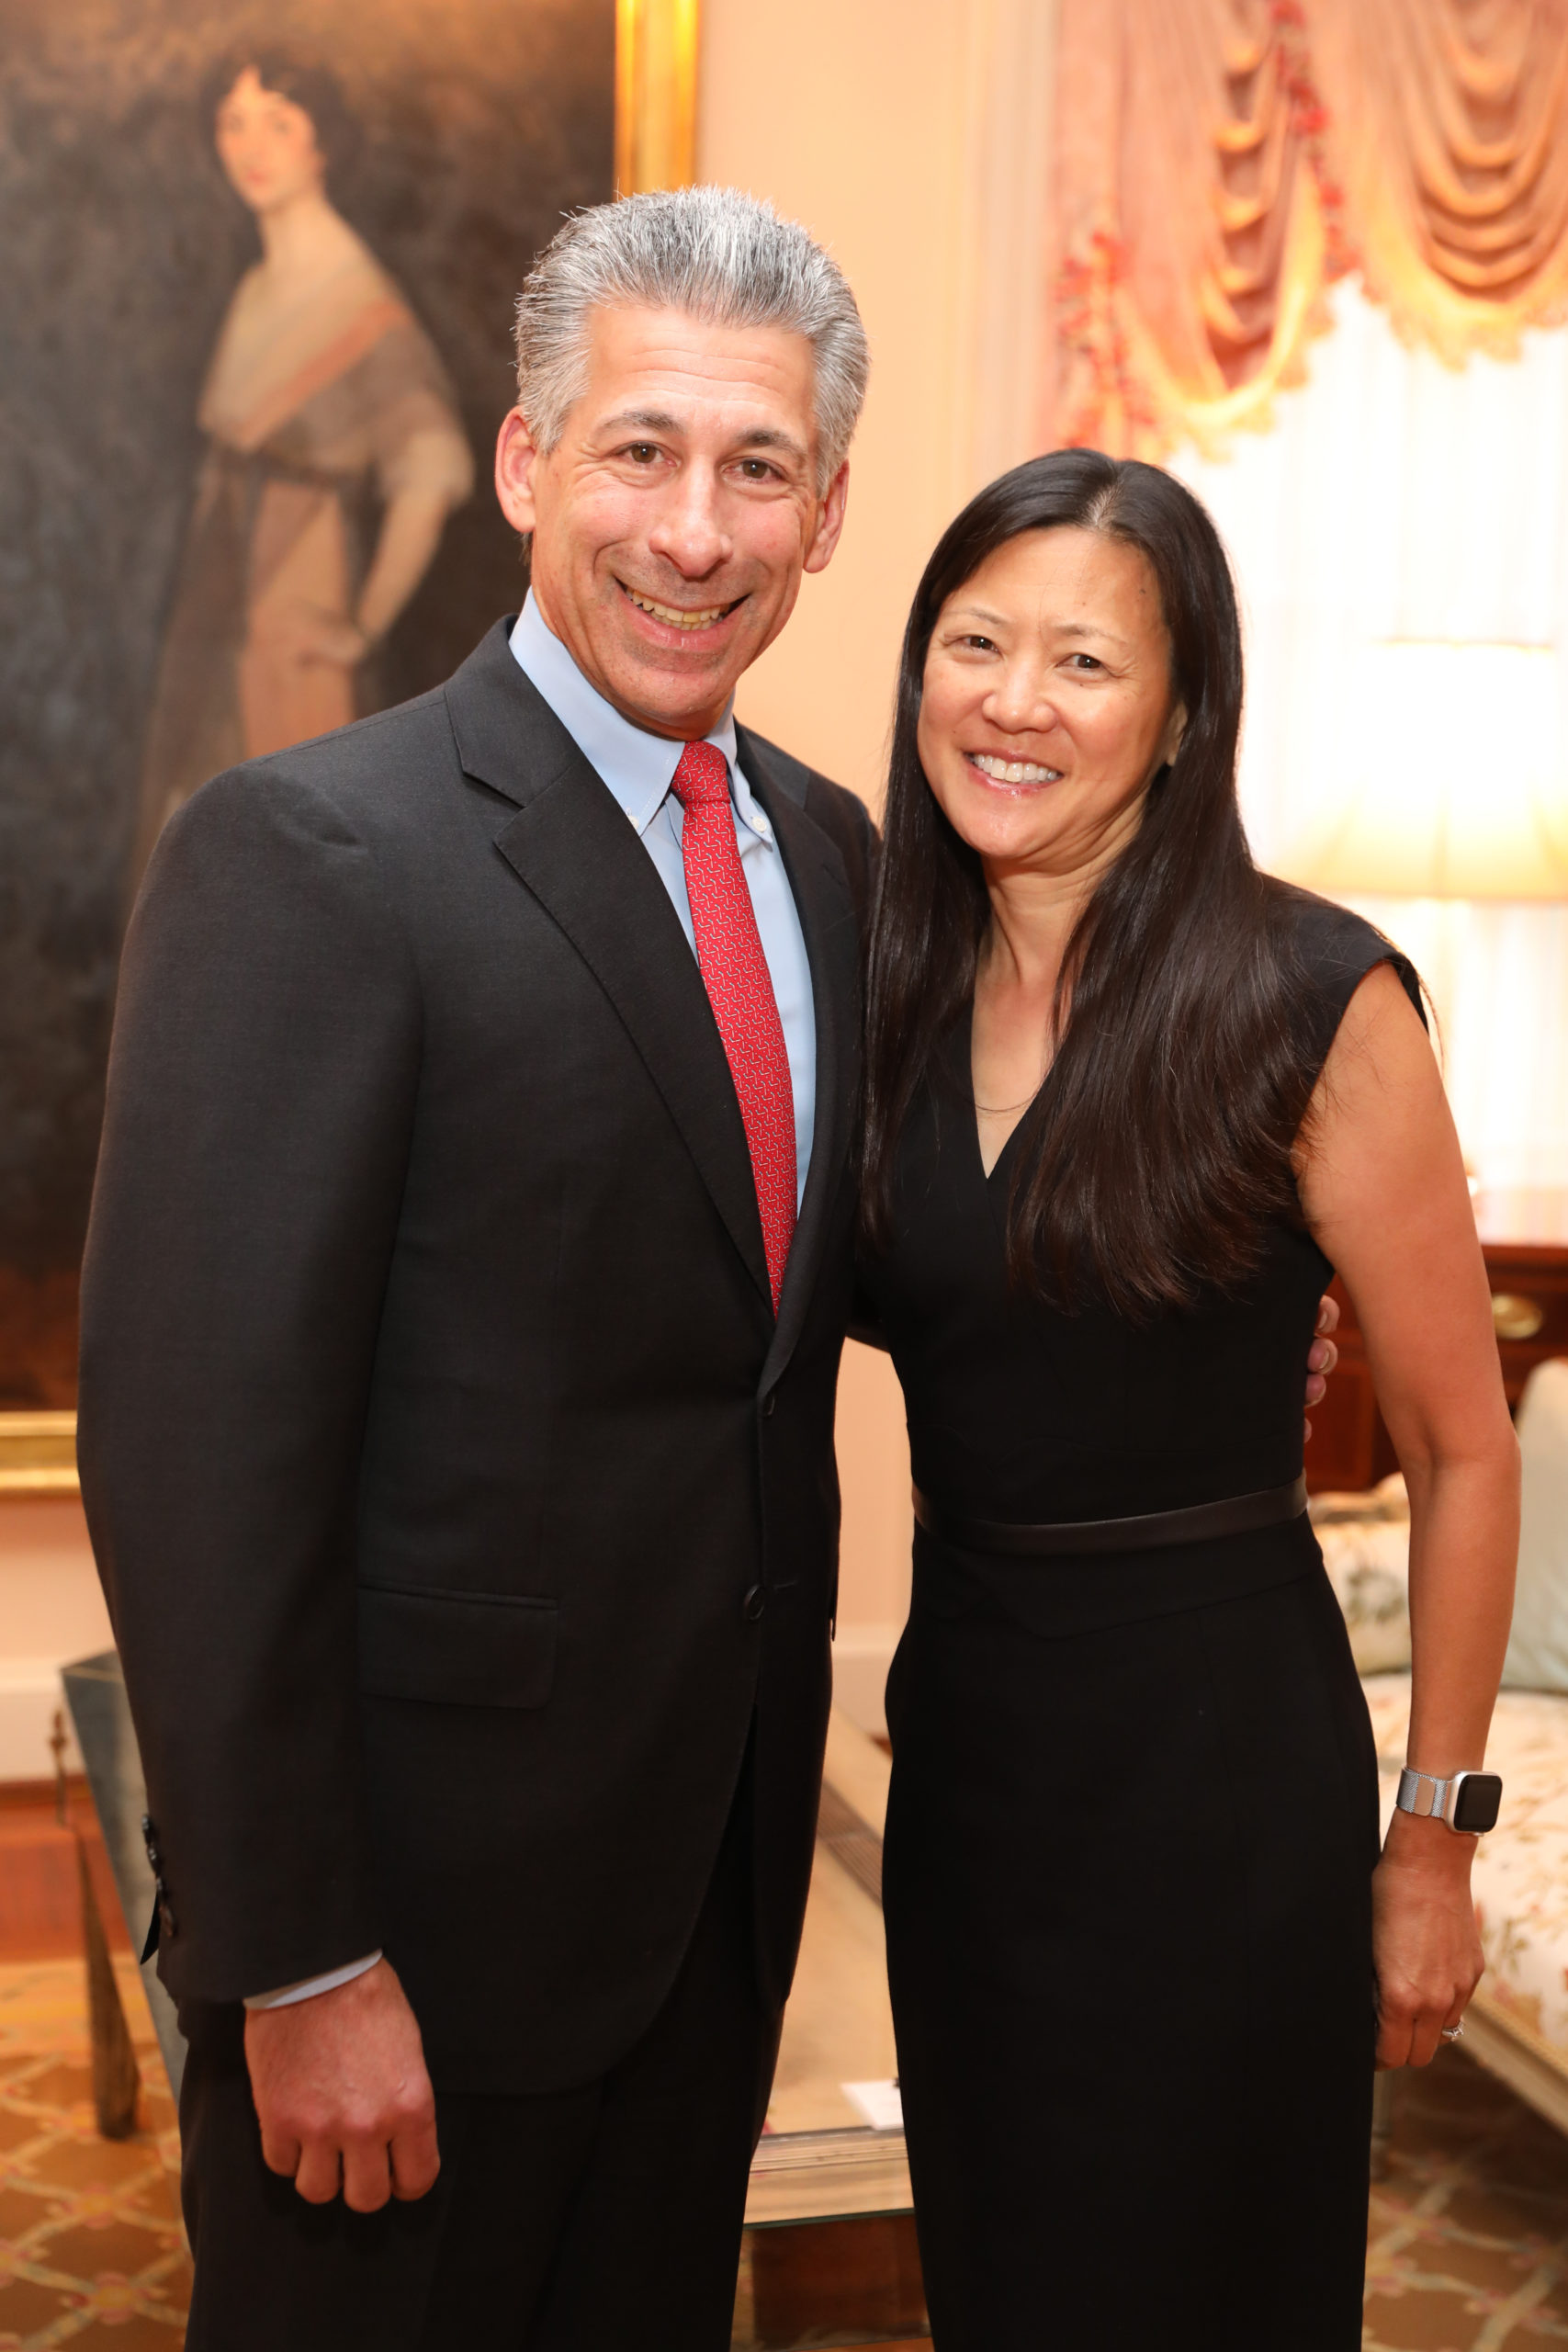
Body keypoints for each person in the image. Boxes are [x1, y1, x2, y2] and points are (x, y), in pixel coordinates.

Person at [79, 197, 1337, 2347]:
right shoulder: (311, 851)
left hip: (717, 1903)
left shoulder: (840, 851)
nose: (694, 525)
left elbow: (891, 1259)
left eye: (755, 466)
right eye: (638, 450)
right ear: (519, 467)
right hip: (417, 1944)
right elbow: (197, 1454)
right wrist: (287, 1955)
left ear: (828, 508)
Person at [857, 451, 1519, 2348]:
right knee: (1004, 2278)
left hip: (1216, 1779)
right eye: (972, 641)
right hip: (973, 1768)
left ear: (1177, 712)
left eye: (1081, 659)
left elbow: (1467, 1454)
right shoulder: (885, 976)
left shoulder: (1309, 997)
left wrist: (1428, 1845)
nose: (1012, 698)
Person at [129, 50, 473, 895]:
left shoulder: (362, 305)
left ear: (323, 145)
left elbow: (434, 471)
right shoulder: (254, 288)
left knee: (288, 858)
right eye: (233, 123)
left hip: (294, 601)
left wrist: (360, 627)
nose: (252, 146)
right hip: (218, 601)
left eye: (279, 125)